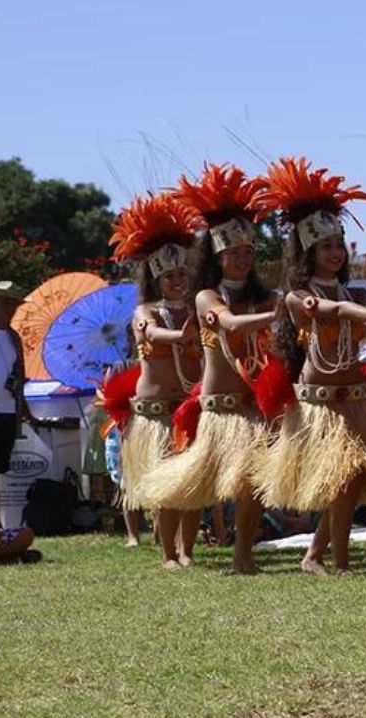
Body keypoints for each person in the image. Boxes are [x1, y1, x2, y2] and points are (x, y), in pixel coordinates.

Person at [255, 156, 366, 575]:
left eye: (339, 244)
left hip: (355, 401)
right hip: (320, 407)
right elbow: (331, 309)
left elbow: (362, 311)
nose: (336, 252)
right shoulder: (297, 297)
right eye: (326, 245)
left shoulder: (354, 293)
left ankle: (314, 556)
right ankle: (338, 562)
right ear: (308, 250)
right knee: (340, 484)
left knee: (353, 484)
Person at [141, 163, 275, 574]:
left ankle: (242, 556)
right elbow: (229, 324)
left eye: (248, 251)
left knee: (251, 483)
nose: (242, 258)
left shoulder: (263, 298)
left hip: (248, 405)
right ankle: (169, 554)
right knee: (184, 483)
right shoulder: (205, 297)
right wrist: (278, 313)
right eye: (234, 252)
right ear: (218, 256)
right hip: (215, 409)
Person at [102, 192, 203, 566]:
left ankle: (188, 551)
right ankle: (168, 554)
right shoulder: (146, 311)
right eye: (170, 275)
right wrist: (179, 337)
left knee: (194, 485)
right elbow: (149, 333)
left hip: (188, 407)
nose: (178, 281)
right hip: (157, 414)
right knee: (166, 485)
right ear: (157, 278)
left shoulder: (197, 308)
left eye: (182, 274)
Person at [0, 281, 35, 552]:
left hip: (4, 412)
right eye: (5, 304)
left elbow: (19, 378)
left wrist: (26, 411)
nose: (10, 310)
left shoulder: (13, 339)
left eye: (13, 305)